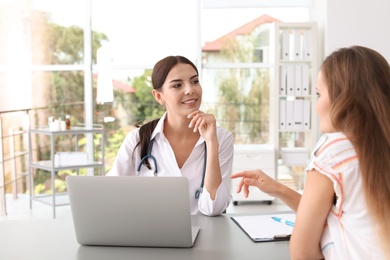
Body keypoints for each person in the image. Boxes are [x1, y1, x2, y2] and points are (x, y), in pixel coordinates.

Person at [231, 46, 390, 259]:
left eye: (318, 94)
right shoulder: (378, 146)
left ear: (344, 97)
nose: (316, 107)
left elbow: (302, 252)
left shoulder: (335, 148)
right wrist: (278, 188)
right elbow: (336, 217)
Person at [107, 55, 234, 216]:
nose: (190, 90)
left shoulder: (221, 138)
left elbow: (213, 209)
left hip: (206, 236)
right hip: (150, 235)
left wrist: (211, 142)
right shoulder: (138, 140)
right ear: (159, 96)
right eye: (177, 85)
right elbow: (109, 193)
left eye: (194, 81)